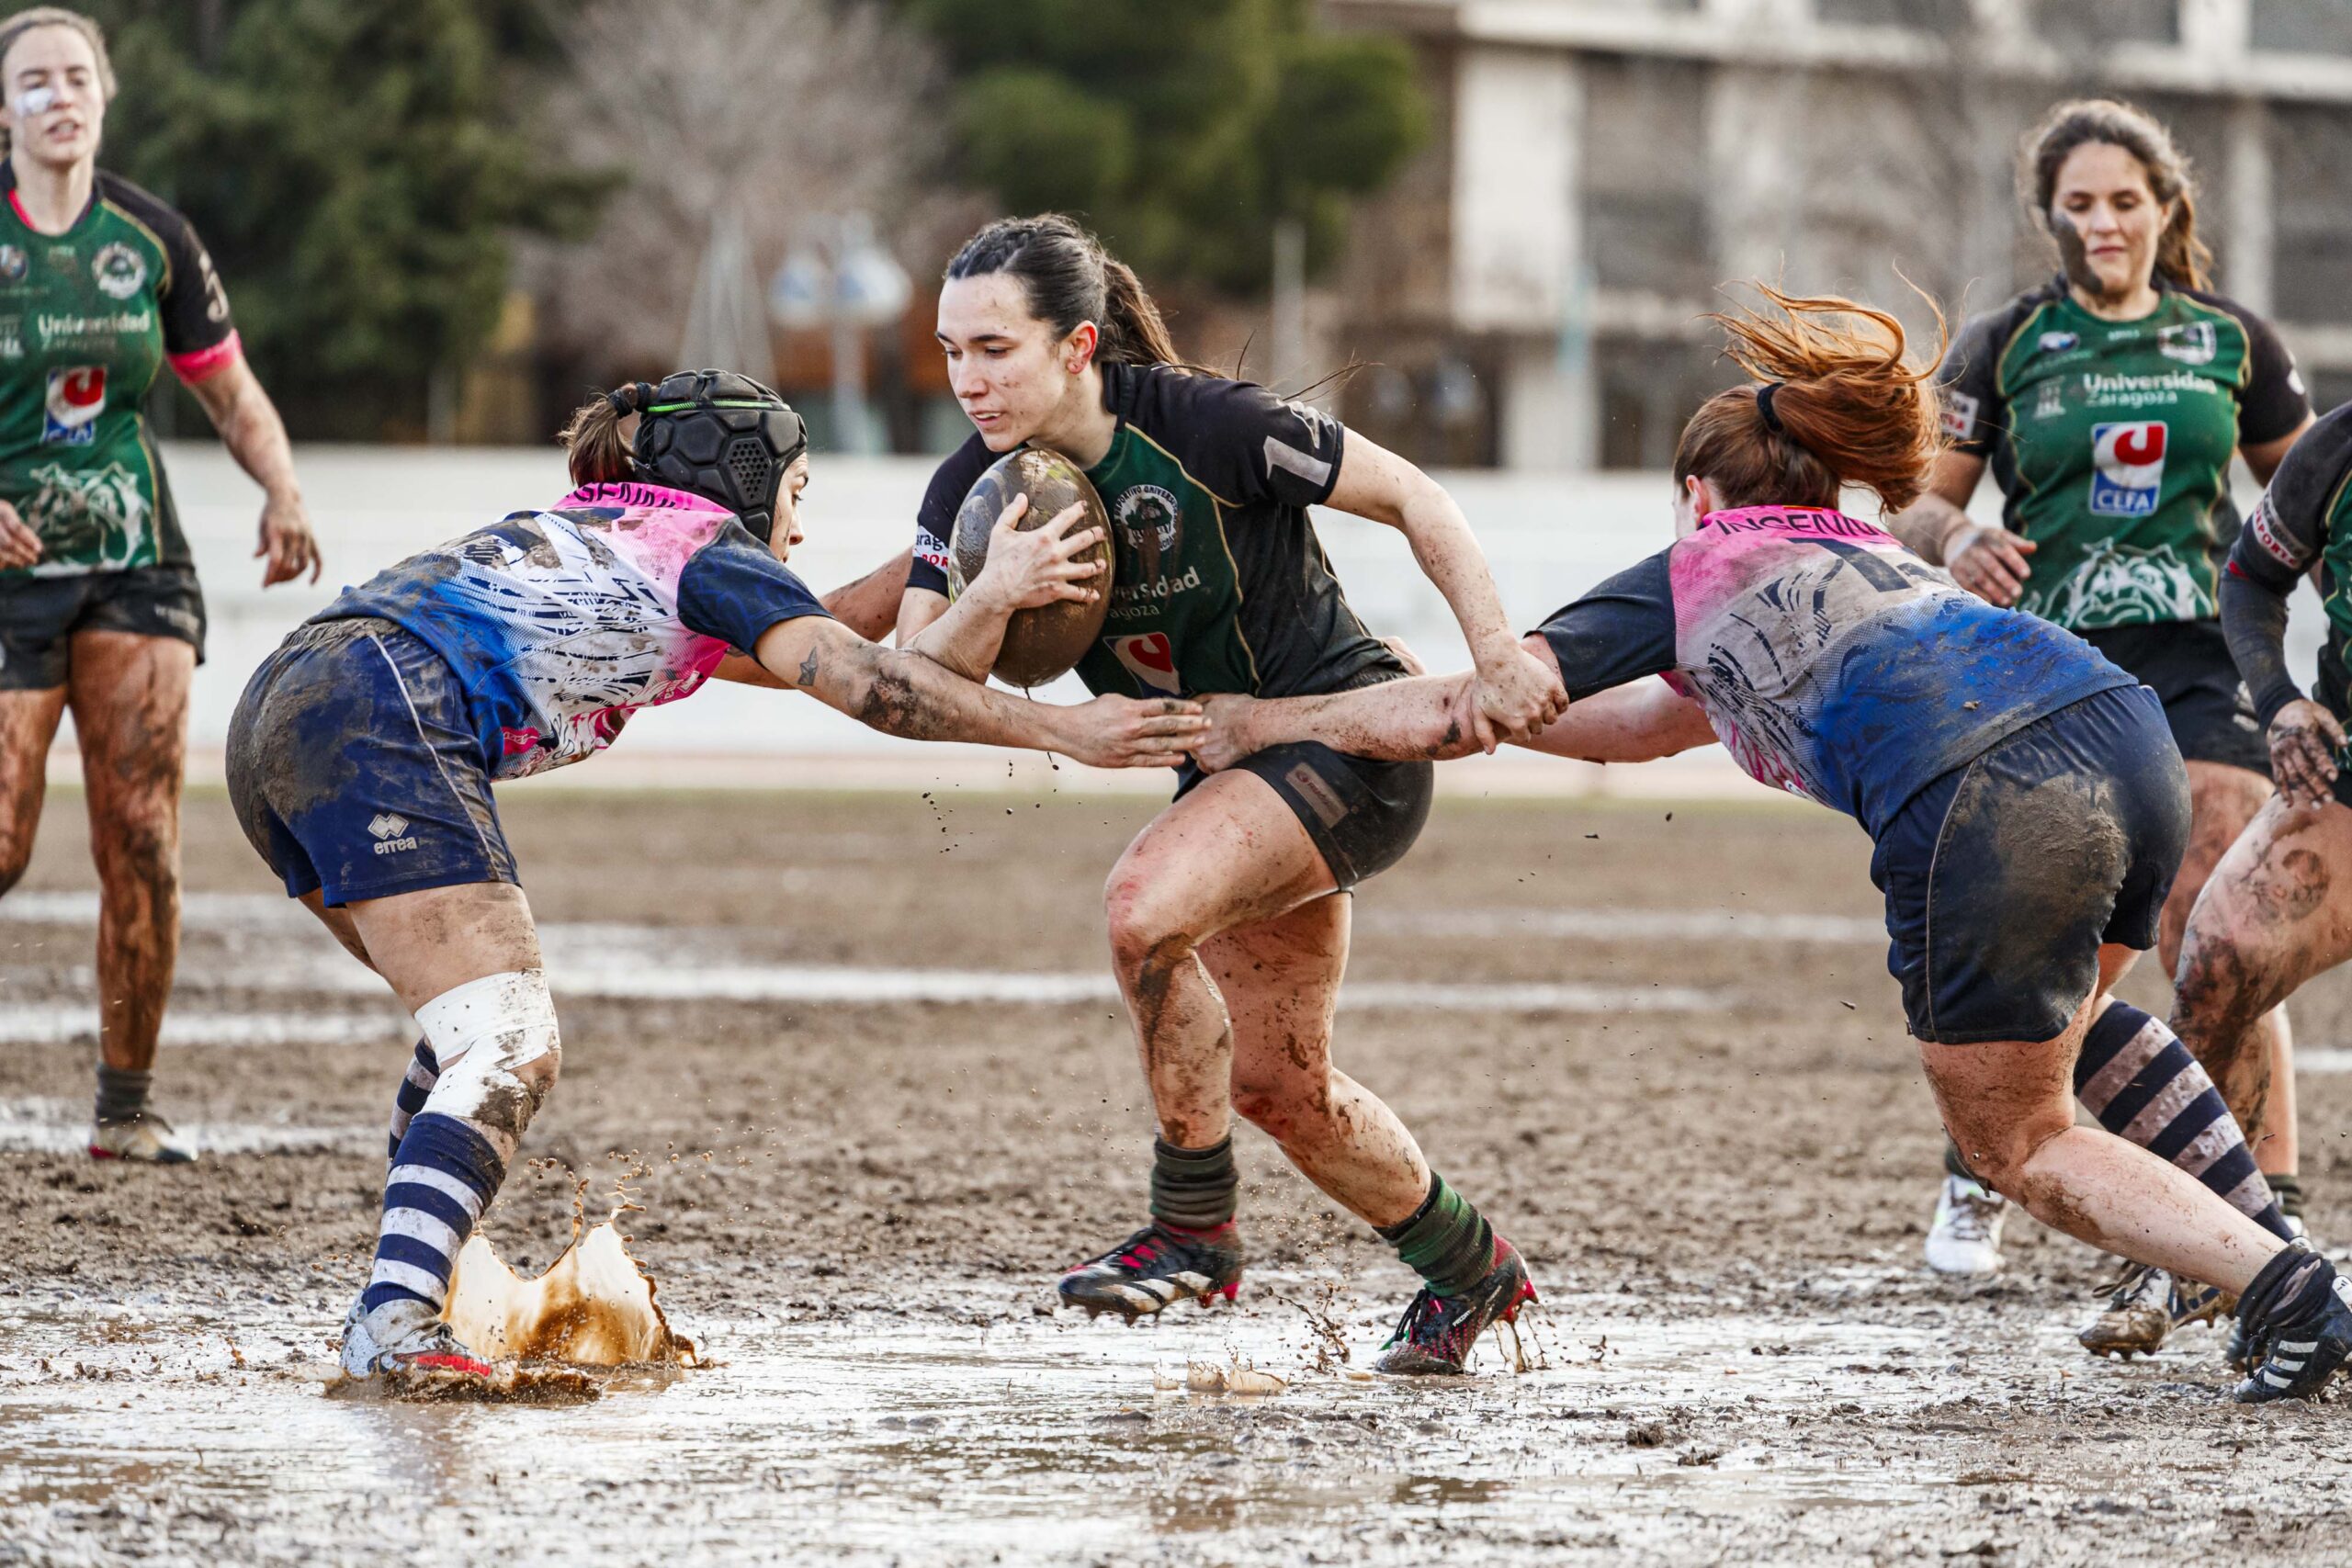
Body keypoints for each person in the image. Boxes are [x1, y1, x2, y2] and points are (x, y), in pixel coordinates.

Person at [1187, 286, 2346, 1403]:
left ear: (1697, 492)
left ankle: (2286, 1289)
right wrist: (1425, 681)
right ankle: (2273, 1243)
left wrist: (1273, 718)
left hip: (1986, 798)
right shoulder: (1859, 554)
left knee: (2019, 1142)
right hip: (2122, 732)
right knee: (2078, 1028)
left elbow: (1477, 708)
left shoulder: (1701, 565)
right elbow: (1641, 728)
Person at [227, 370, 1204, 1387]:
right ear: (745, 481)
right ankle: (393, 1318)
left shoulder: (624, 532)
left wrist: (949, 547)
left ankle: (425, 1285)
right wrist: (1068, 731)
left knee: (463, 1029)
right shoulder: (702, 547)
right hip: (385, 705)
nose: (799, 523)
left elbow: (818, 628)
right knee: (508, 1039)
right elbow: (872, 686)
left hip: (285, 705)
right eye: (797, 494)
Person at [895, 215, 1566, 1373]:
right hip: (1233, 781)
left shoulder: (1212, 427)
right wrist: (993, 593)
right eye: (953, 351)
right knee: (1276, 1087)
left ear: (1078, 345)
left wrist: (1495, 649)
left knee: (1141, 910)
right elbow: (915, 675)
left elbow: (1417, 498)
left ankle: (1192, 1230)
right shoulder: (975, 488)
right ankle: (1474, 1275)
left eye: (995, 349)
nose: (969, 380)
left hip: (1348, 751)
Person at [1883, 101, 2314, 1339]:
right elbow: (1915, 504)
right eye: (2078, 204)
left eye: (2125, 199)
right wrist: (1957, 534)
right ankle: (1993, 1148)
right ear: (2052, 217)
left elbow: (2313, 495)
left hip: (2196, 653)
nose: (2103, 222)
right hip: (2044, 661)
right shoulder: (2007, 343)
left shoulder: (2235, 342)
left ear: (2167, 205)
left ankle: (2259, 1215)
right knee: (2068, 940)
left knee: (2219, 920)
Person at [0, 6, 320, 1163]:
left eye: (75, 74)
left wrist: (282, 491)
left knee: (141, 839)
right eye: (31, 79)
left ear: (106, 91)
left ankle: (124, 1111)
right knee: (2, 839)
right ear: (4, 109)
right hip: (9, 577)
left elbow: (229, 393)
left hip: (136, 566)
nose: (57, 94)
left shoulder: (152, 236)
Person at [2177, 398, 2352, 1366]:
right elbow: (2248, 581)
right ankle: (2214, 1249)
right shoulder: (2336, 444)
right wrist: (2282, 702)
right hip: (2348, 776)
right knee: (2215, 963)